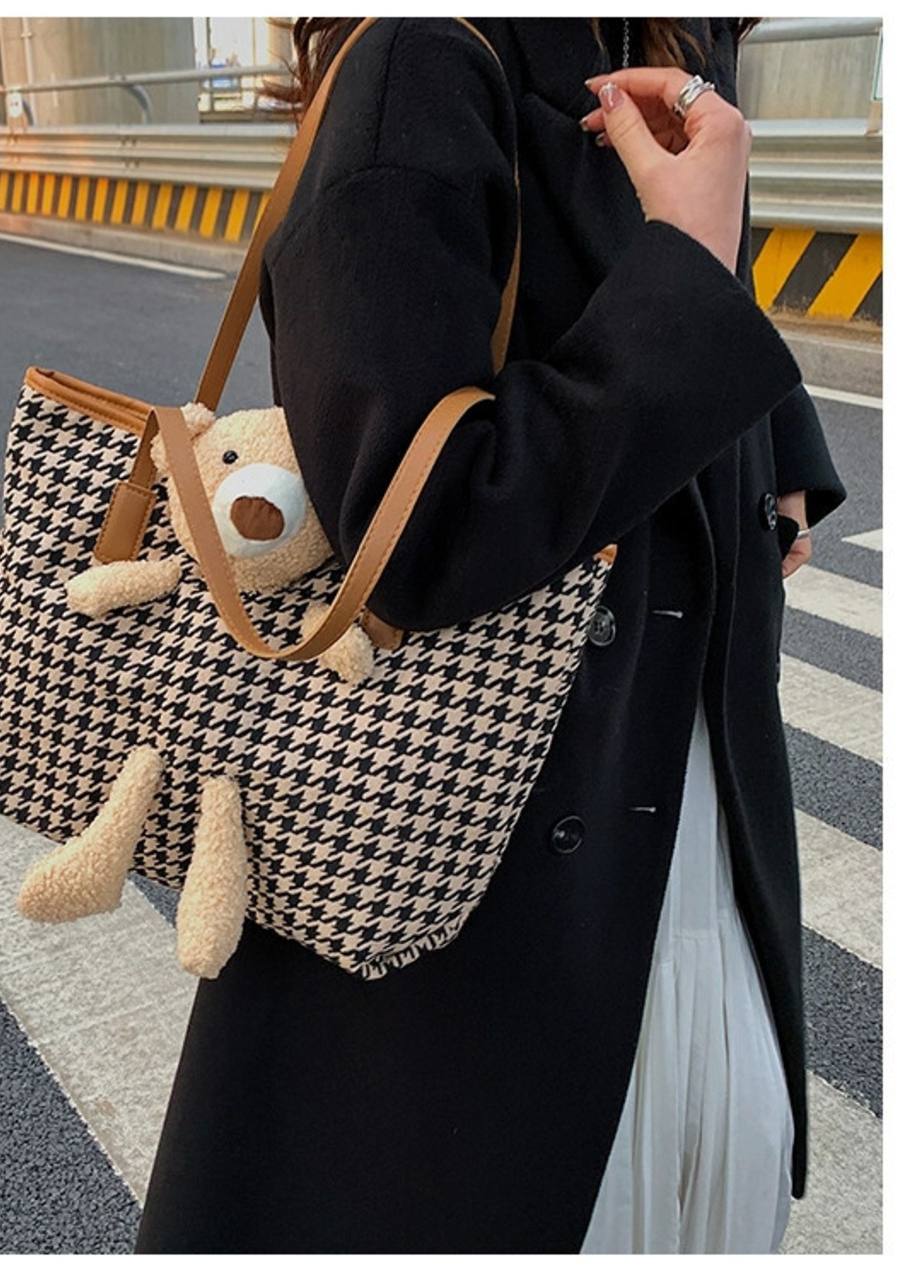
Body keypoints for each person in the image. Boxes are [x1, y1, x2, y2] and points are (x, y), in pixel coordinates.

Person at [134, 17, 845, 1254]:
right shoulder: (416, 64)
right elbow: (414, 532)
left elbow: (676, 300)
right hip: (474, 885)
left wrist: (777, 445)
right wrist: (688, 259)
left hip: (681, 830)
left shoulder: (661, 38)